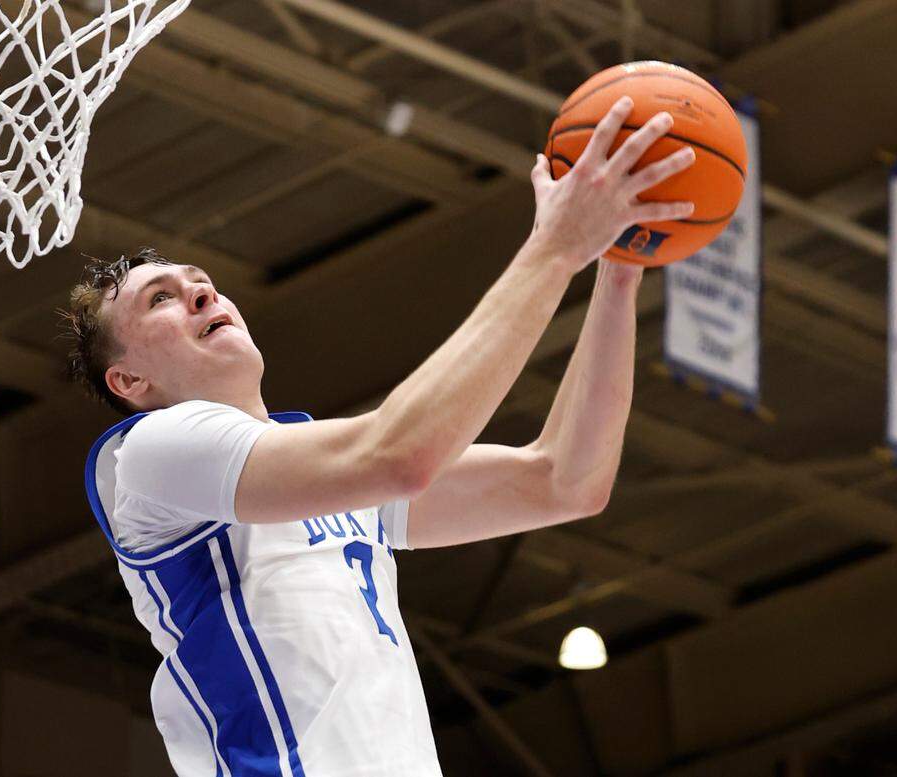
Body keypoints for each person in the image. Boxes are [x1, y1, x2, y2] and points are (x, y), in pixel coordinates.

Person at [65, 97, 696, 777]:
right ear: (127, 379)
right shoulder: (145, 456)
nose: (203, 296)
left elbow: (565, 479)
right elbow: (400, 456)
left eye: (205, 285)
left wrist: (616, 265)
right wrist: (556, 247)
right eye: (161, 298)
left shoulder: (328, 468)